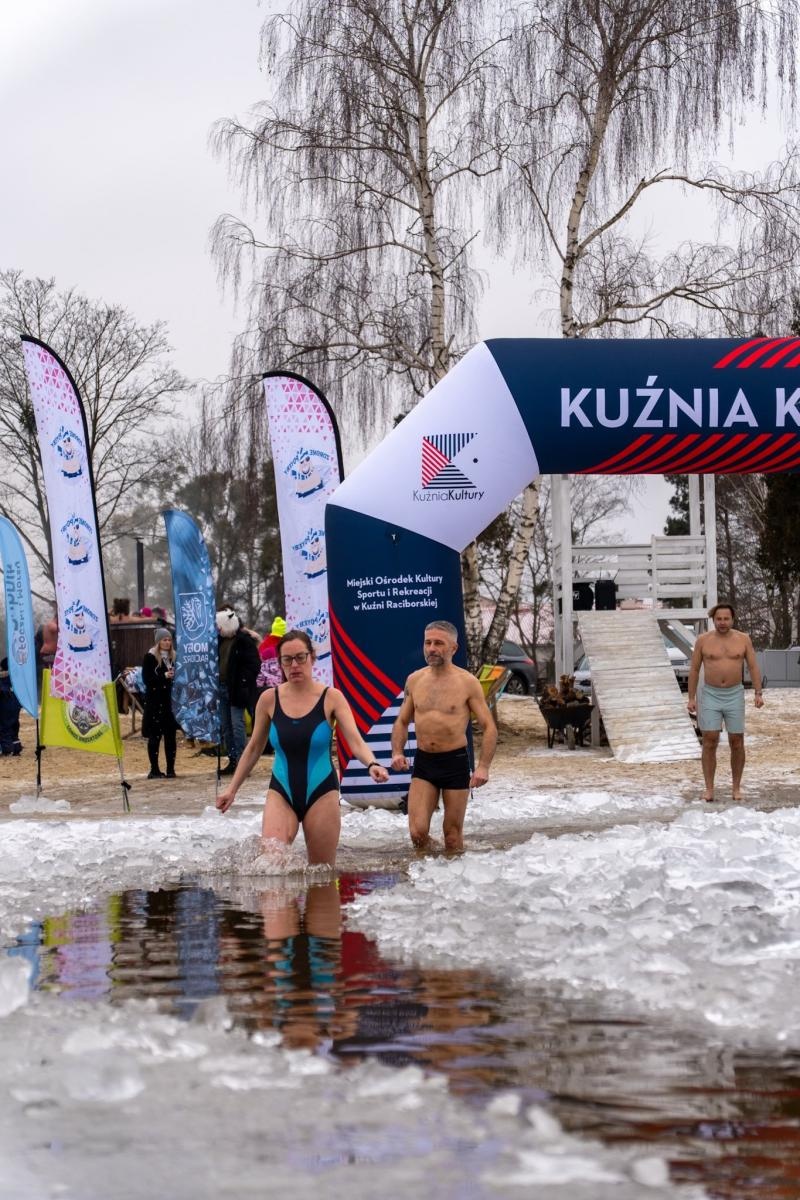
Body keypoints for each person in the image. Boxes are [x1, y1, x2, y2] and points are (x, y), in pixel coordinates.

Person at [216, 629, 389, 866]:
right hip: (281, 791)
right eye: (287, 660)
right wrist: (232, 789)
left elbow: (355, 740)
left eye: (300, 657)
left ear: (312, 657)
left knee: (320, 872)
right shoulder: (268, 699)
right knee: (272, 862)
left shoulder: (331, 697)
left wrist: (372, 763)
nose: (294, 665)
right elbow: (254, 747)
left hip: (321, 792)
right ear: (280, 663)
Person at [391, 619, 497, 852]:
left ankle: (454, 879)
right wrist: (397, 751)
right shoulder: (415, 679)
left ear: (453, 648)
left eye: (438, 643)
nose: (431, 648)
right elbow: (401, 720)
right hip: (425, 762)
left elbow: (489, 726)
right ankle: (428, 874)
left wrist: (483, 767)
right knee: (417, 833)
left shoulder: (467, 683)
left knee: (452, 836)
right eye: (428, 642)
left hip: (455, 763)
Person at [687, 602, 764, 802]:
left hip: (734, 694)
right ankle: (709, 789)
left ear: (732, 619)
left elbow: (753, 666)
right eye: (719, 619)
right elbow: (694, 669)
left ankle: (736, 787)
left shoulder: (743, 639)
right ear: (713, 620)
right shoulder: (703, 640)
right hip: (710, 694)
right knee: (710, 739)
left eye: (726, 618)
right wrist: (691, 697)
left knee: (736, 741)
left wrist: (758, 692)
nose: (722, 622)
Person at [216, 606, 261, 776]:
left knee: (237, 725)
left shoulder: (244, 641)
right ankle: (233, 759)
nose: (217, 629)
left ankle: (243, 761)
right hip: (222, 687)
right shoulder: (219, 641)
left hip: (237, 688)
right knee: (226, 726)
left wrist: (243, 681)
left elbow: (254, 664)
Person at [141, 629, 179, 779]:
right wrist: (163, 676)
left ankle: (171, 769)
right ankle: (154, 769)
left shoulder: (174, 657)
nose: (167, 643)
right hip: (155, 703)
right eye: (164, 640)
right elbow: (147, 679)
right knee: (155, 737)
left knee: (170, 737)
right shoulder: (150, 657)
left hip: (170, 703)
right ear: (158, 642)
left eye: (169, 640)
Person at [0, 658, 22, 756]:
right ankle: (17, 747)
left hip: (5, 705)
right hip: (16, 706)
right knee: (14, 726)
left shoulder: (2, 680)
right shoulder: (16, 677)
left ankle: (6, 749)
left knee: (4, 727)